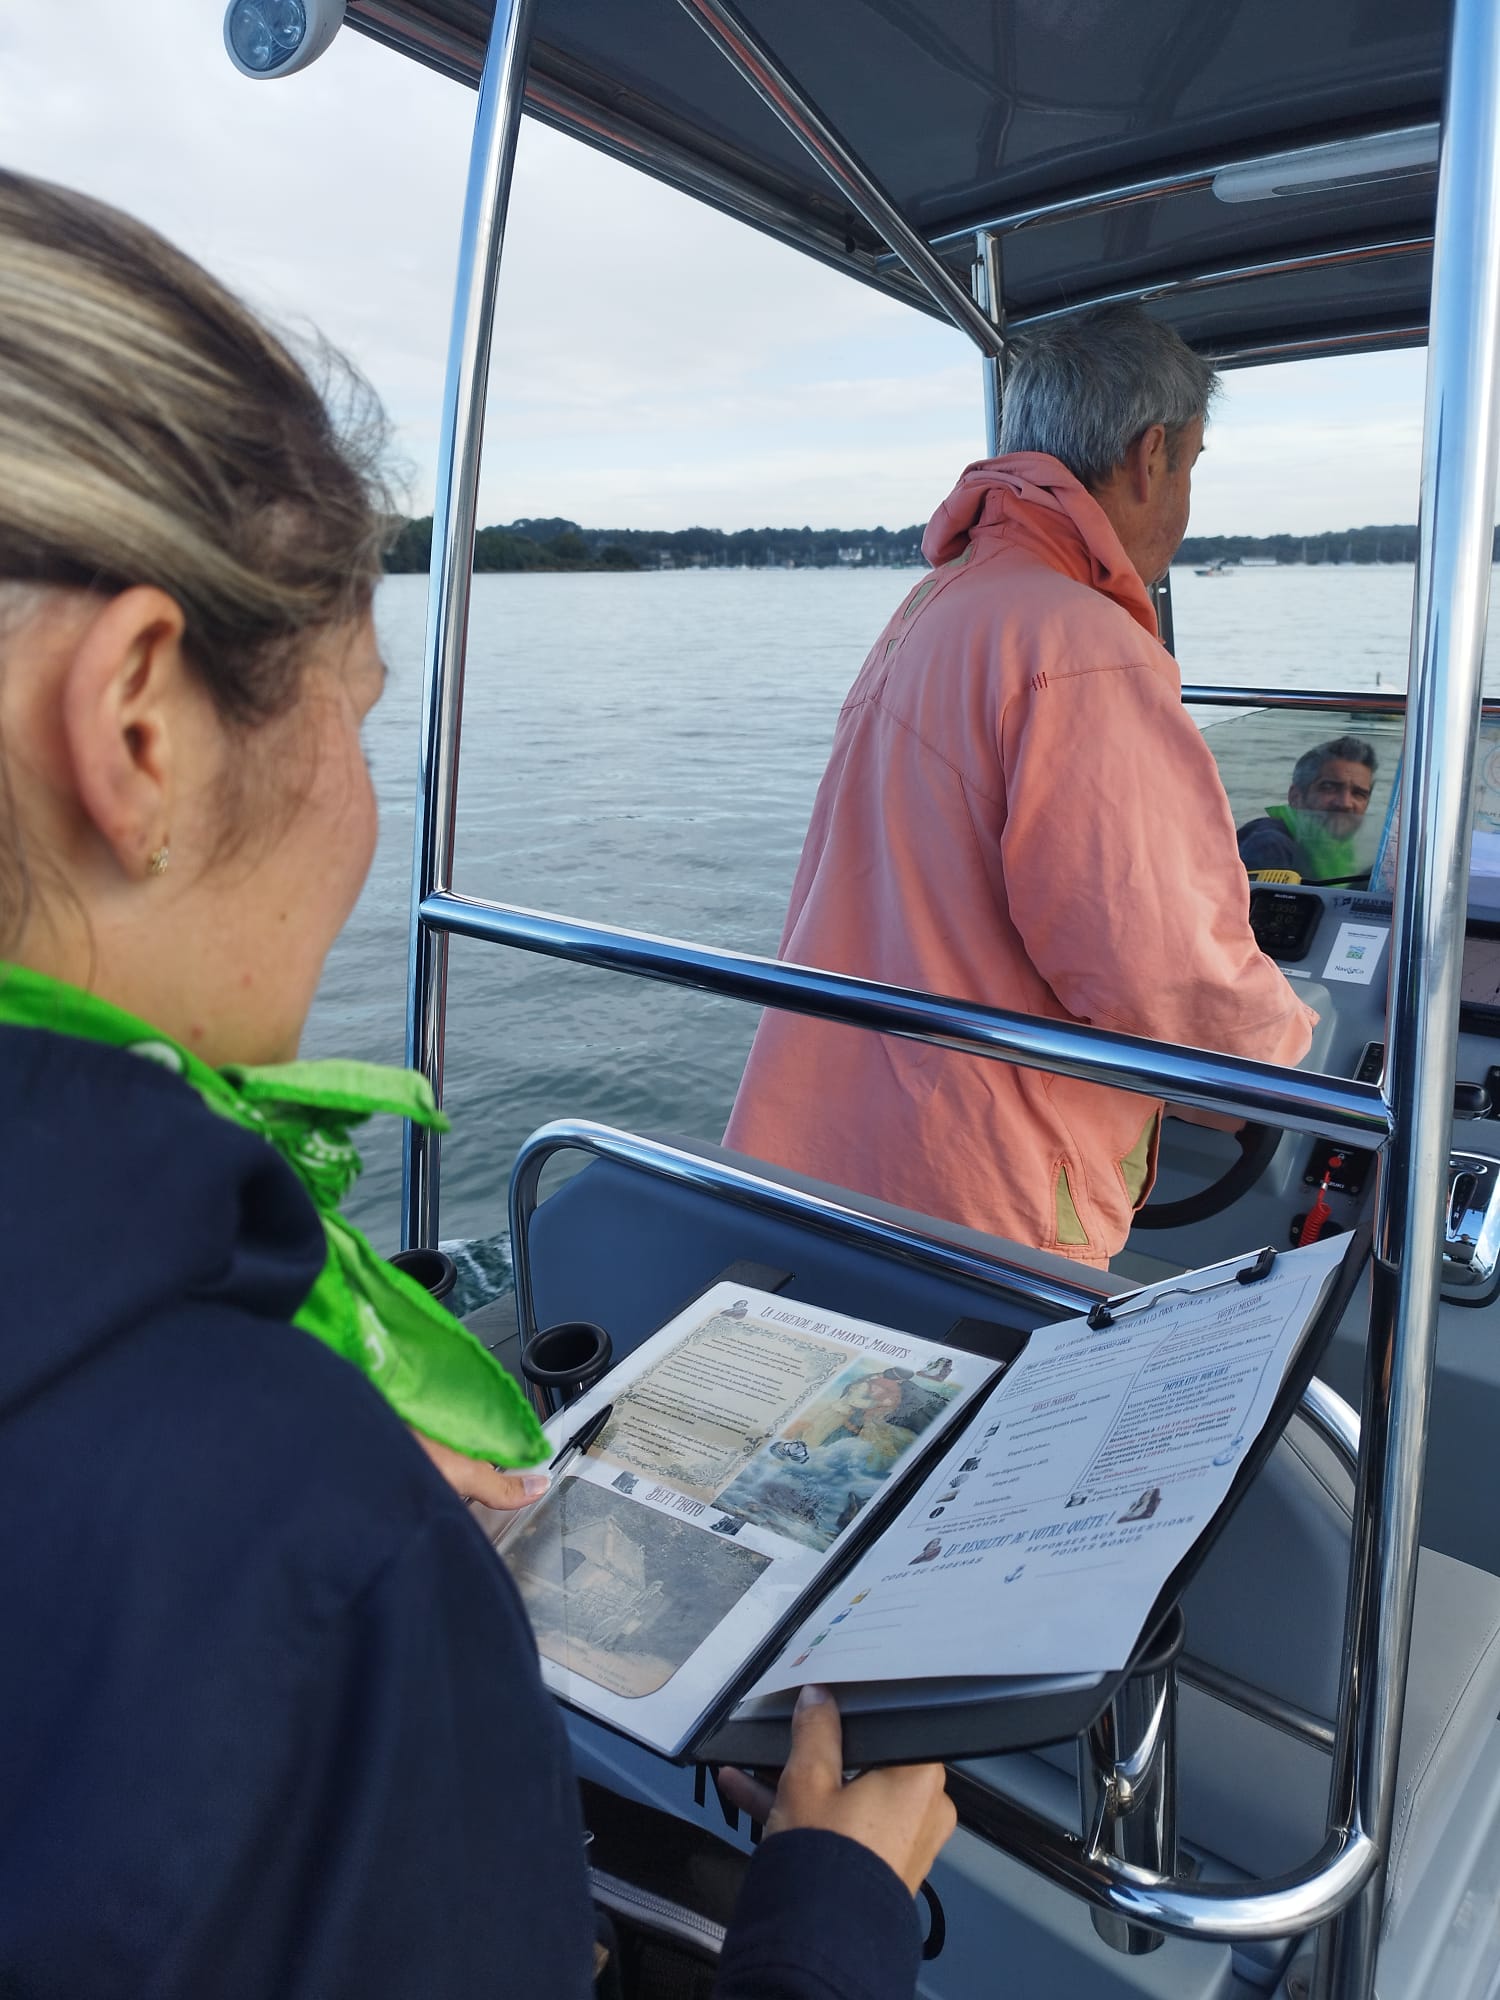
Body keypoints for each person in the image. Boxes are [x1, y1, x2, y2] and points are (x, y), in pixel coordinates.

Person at [0, 170, 953, 1999]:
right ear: (138, 725)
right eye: (354, 713)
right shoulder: (292, 1542)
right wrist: (832, 1899)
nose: (370, 810)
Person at [725, 304, 1315, 1268]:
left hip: (837, 1141)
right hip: (970, 1183)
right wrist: (1290, 1059)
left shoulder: (938, 603)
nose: (1185, 500)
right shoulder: (1081, 648)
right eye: (1192, 467)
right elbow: (1151, 961)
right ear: (1149, 455)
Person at [1237, 736, 1378, 881]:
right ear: (1295, 797)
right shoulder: (1270, 846)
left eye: (1358, 794)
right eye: (1329, 788)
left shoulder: (1340, 849)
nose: (1345, 803)